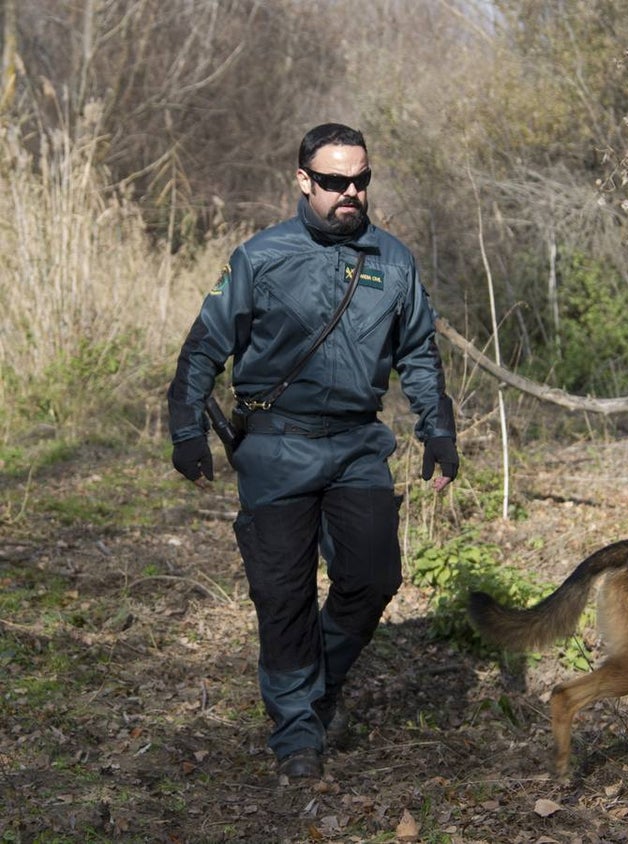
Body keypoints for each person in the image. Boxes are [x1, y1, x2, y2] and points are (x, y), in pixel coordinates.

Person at [166, 123, 459, 781]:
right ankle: (297, 730)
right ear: (303, 180)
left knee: (374, 576)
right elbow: (205, 345)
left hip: (358, 445)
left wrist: (437, 430)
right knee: (283, 594)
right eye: (333, 182)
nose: (349, 193)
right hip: (275, 444)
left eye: (360, 180)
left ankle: (309, 686)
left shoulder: (394, 260)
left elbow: (417, 351)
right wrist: (186, 428)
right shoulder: (261, 257)